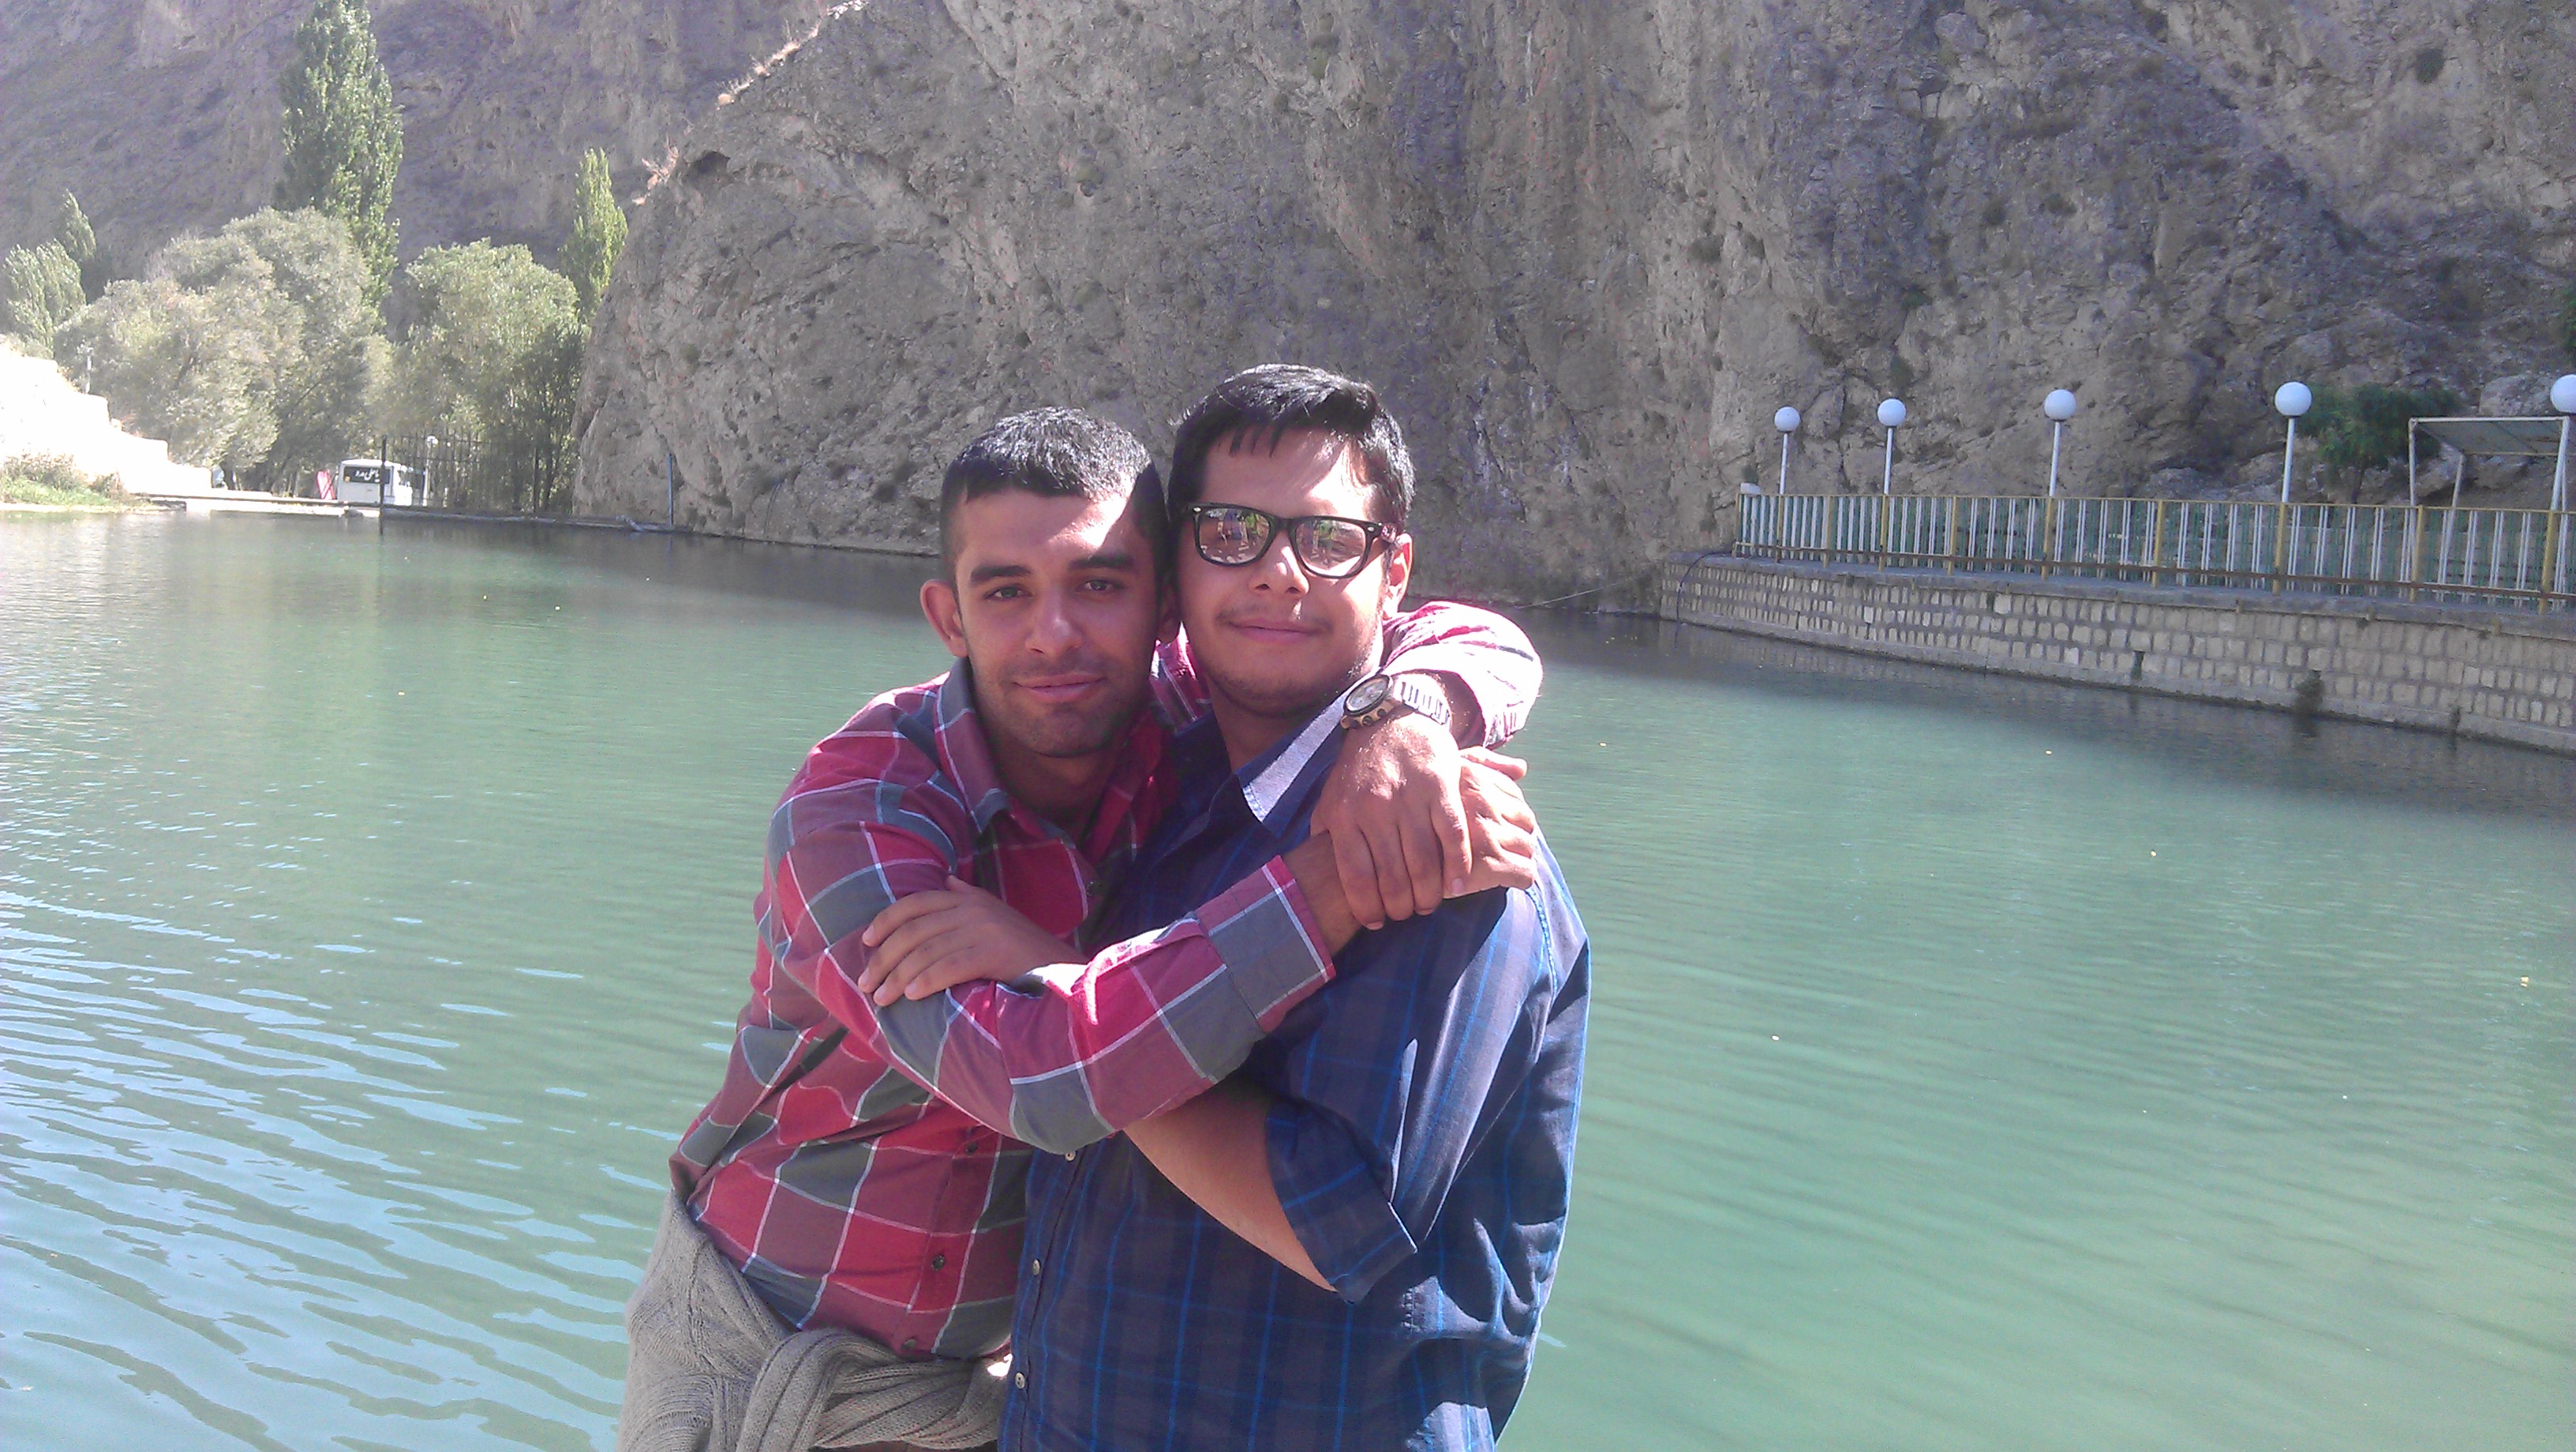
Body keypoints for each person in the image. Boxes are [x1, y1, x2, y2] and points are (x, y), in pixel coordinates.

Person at [619, 407, 1547, 1452]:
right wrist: (1333, 884)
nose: (1054, 634)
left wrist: (1407, 714)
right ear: (948, 616)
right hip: (766, 1356)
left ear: (1163, 608)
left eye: (1099, 585)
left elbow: (1476, 633)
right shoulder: (860, 809)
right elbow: (1040, 1086)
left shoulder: (1178, 726)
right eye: (1005, 592)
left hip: (994, 1389)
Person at [994, 368, 1590, 1450]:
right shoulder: (1167, 783)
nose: (1279, 572)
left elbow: (1338, 1219)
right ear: (1175, 569)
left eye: (1328, 539)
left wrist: (1055, 1010)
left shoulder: (1439, 842)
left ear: (1393, 570)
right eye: (1231, 533)